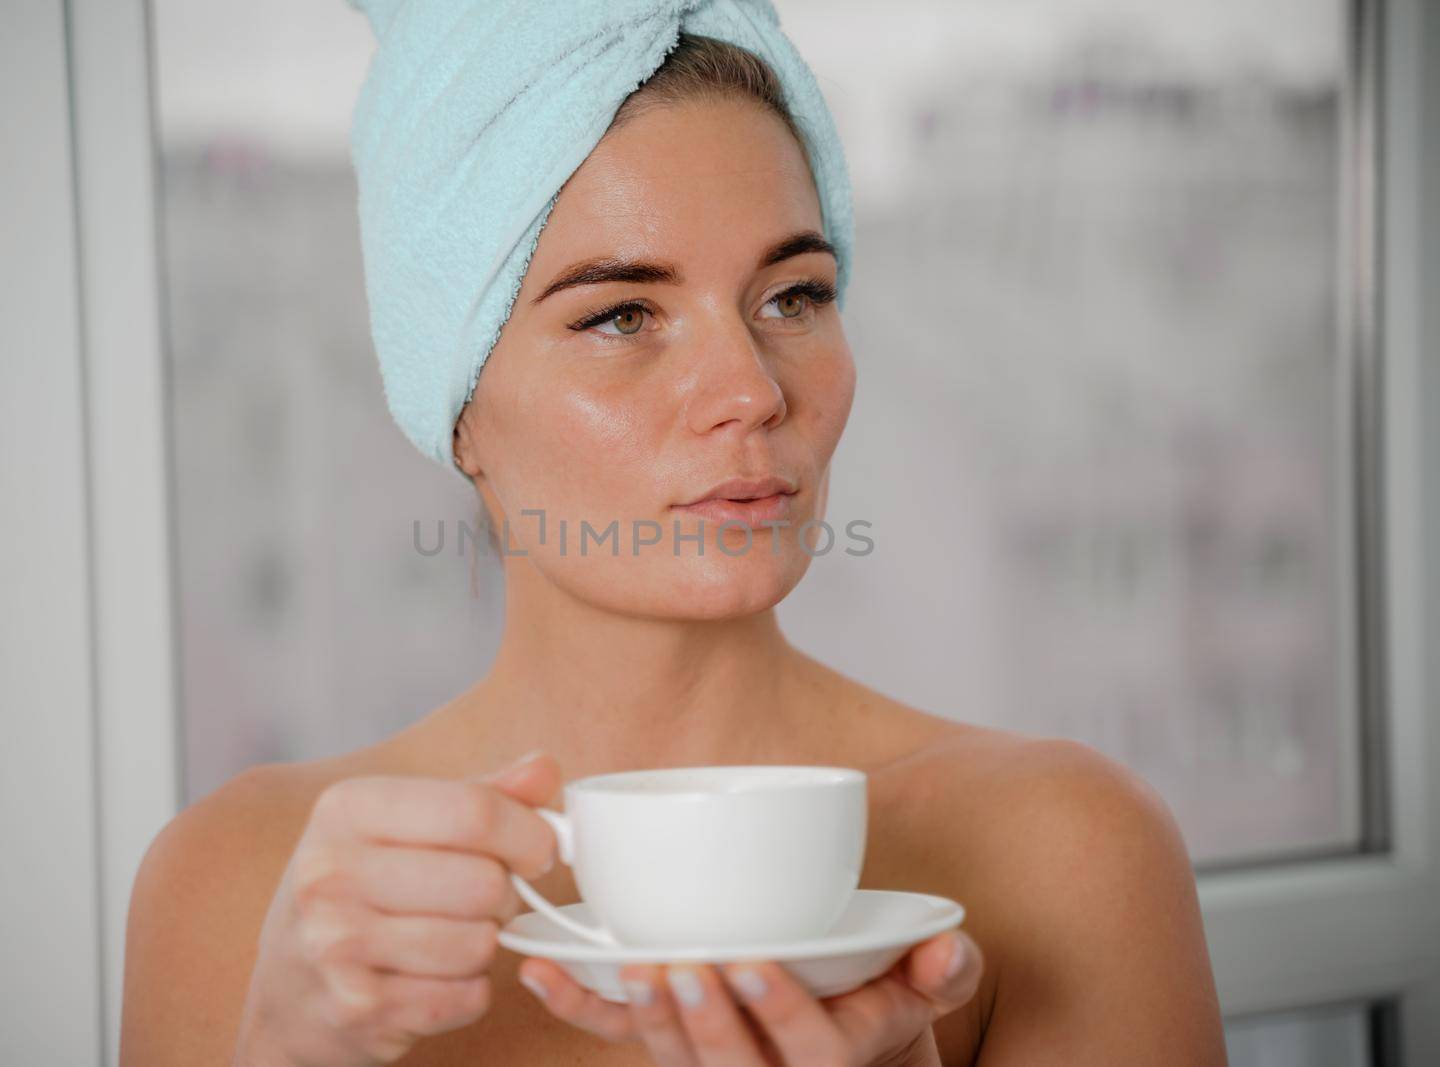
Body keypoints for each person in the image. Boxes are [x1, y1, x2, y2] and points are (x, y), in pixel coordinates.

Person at [120, 11, 1227, 1067]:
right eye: (620, 315)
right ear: (454, 404)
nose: (749, 390)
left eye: (794, 296)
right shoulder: (249, 885)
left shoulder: (1065, 854)